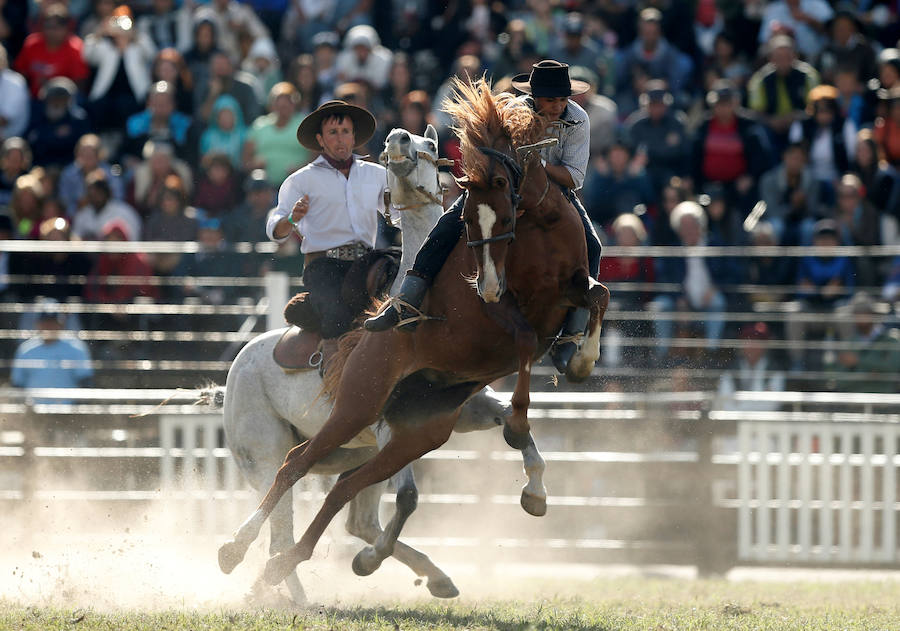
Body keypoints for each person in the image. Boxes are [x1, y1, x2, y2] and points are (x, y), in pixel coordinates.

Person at [365, 60, 602, 377]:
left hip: (555, 192)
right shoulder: (513, 111)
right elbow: (491, 156)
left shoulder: (579, 119)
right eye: (551, 99)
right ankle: (408, 297)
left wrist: (537, 169)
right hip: (502, 188)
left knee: (593, 246)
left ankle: (572, 332)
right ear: (536, 96)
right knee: (447, 225)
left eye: (562, 99)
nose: (558, 106)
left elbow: (573, 177)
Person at [266, 99, 387, 359]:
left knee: (398, 306)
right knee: (337, 315)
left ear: (354, 136)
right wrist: (292, 217)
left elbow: (398, 213)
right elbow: (275, 228)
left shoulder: (377, 174)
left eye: (345, 131)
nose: (340, 138)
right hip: (324, 266)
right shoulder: (301, 180)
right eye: (333, 132)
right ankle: (334, 385)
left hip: (367, 262)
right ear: (320, 140)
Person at [11, 298, 93, 405]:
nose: (49, 326)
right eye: (45, 322)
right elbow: (17, 383)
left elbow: (85, 381)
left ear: (62, 324)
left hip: (67, 413)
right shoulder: (26, 350)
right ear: (37, 324)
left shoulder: (75, 348)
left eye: (53, 322)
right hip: (34, 413)